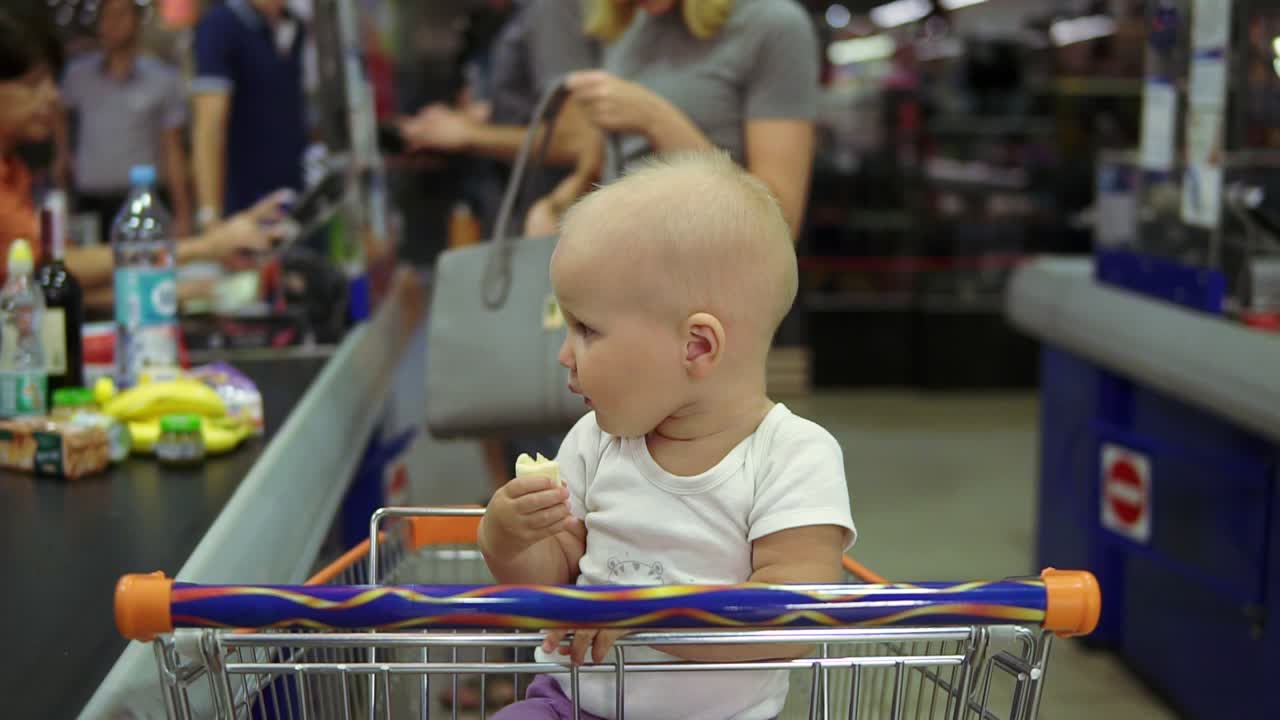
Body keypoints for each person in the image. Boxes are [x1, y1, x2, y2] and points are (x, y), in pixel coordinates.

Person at [480, 151, 855, 720]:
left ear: (696, 346)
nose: (564, 355)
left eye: (586, 329)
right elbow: (552, 579)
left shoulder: (792, 456)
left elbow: (792, 615)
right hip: (572, 704)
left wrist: (652, 615)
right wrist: (508, 540)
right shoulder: (594, 441)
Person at [0, 3, 287, 302]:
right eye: (32, 84)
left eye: (49, 81)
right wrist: (206, 246)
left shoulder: (15, 170)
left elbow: (60, 286)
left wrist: (177, 291)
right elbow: (56, 266)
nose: (52, 96)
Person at [526, 0, 818, 240]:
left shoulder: (774, 25)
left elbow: (781, 224)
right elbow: (610, 164)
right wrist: (558, 206)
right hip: (620, 272)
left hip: (710, 280)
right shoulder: (633, 24)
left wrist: (656, 119)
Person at [56, 0, 195, 239]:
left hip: (144, 200)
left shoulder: (162, 79)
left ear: (137, 21)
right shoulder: (77, 76)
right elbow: (58, 115)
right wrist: (62, 153)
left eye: (121, 15)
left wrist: (182, 214)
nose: (113, 23)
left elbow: (173, 150)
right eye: (106, 16)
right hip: (91, 200)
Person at [191, 0, 308, 227]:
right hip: (242, 204)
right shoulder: (221, 25)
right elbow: (208, 128)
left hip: (292, 198)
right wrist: (210, 216)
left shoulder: (294, 25)